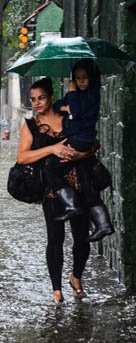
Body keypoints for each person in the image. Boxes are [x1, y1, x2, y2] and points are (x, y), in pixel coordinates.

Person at [16, 77, 99, 305]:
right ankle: (56, 291)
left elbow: (93, 141)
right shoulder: (31, 125)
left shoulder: (70, 118)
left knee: (82, 238)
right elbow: (22, 157)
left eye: (41, 98)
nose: (37, 103)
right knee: (55, 239)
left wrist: (81, 154)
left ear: (51, 97)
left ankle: (76, 277)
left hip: (79, 186)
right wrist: (51, 148)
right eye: (33, 100)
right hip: (52, 191)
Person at [45, 59, 115, 242]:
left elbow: (74, 112)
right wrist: (65, 104)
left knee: (51, 166)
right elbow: (57, 106)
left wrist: (72, 94)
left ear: (92, 78)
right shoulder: (77, 95)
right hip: (79, 140)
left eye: (85, 78)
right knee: (86, 182)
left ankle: (71, 204)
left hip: (81, 140)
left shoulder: (91, 95)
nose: (81, 81)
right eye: (77, 78)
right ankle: (104, 224)